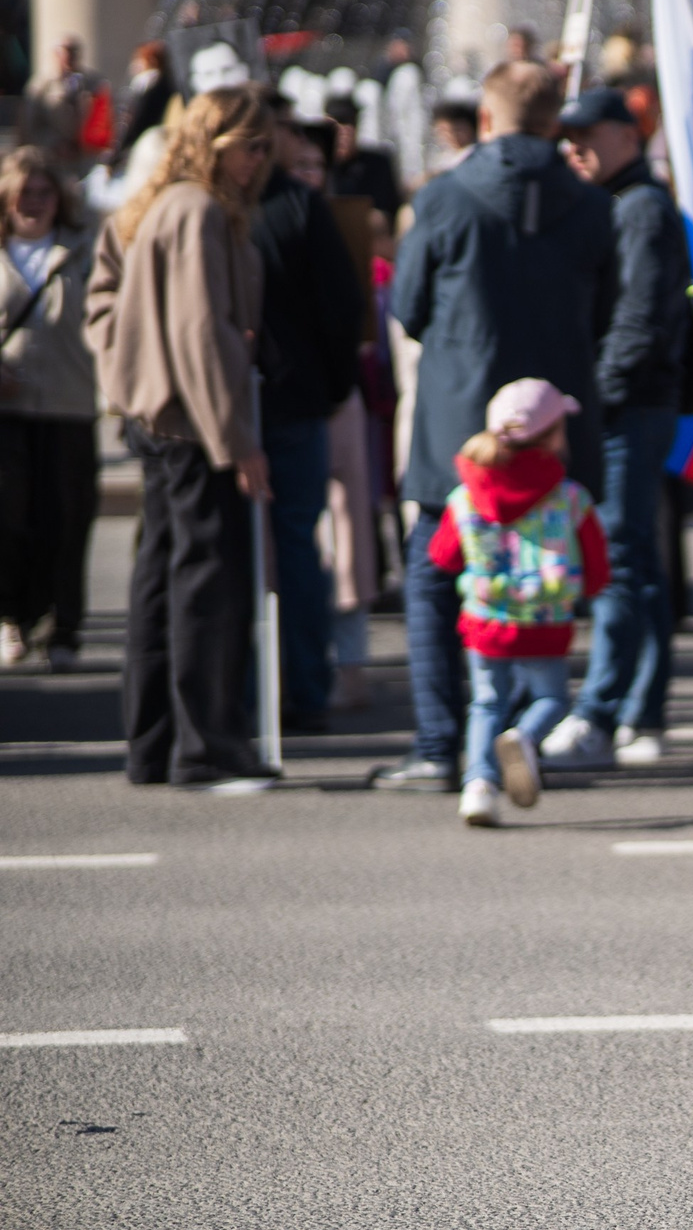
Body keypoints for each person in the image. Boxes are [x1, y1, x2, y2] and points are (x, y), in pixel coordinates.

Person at [380, 63, 616, 793]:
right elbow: (604, 312)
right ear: (556, 122)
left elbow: (408, 307)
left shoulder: (445, 196)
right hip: (554, 424)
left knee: (434, 572)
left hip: (461, 420)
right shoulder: (591, 203)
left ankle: (440, 741)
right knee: (537, 576)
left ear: (486, 119)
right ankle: (519, 724)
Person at [84, 88, 274, 787]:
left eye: (263, 146)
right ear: (216, 143)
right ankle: (205, 745)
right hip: (193, 423)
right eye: (249, 145)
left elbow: (103, 297)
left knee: (161, 580)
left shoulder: (159, 204)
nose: (259, 160)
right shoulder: (196, 210)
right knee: (202, 583)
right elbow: (204, 333)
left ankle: (156, 743)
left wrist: (128, 365)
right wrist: (236, 439)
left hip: (163, 417)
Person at [544, 87, 693, 769]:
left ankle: (602, 711)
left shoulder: (640, 207)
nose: (573, 148)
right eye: (565, 136)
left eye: (587, 135)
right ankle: (641, 707)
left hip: (629, 405)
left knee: (619, 560)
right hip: (628, 402)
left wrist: (589, 401)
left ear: (628, 136)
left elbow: (638, 318)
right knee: (637, 560)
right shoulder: (615, 200)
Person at [425, 379, 609, 827]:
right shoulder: (569, 498)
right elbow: (597, 570)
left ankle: (479, 787)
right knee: (549, 699)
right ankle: (525, 737)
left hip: (486, 622)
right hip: (546, 622)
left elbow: (442, 556)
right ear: (552, 436)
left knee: (486, 703)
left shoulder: (467, 496)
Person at [250, 112, 368, 733]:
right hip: (284, 399)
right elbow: (342, 311)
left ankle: (269, 688)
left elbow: (341, 310)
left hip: (274, 400)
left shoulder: (284, 206)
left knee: (269, 548)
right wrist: (330, 385)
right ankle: (299, 686)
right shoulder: (287, 205)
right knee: (292, 544)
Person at [0, 150, 99, 671]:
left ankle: (64, 626)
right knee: (8, 518)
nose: (34, 204)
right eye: (25, 194)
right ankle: (10, 616)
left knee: (66, 519)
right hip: (7, 409)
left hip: (68, 403)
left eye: (44, 193)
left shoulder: (80, 250)